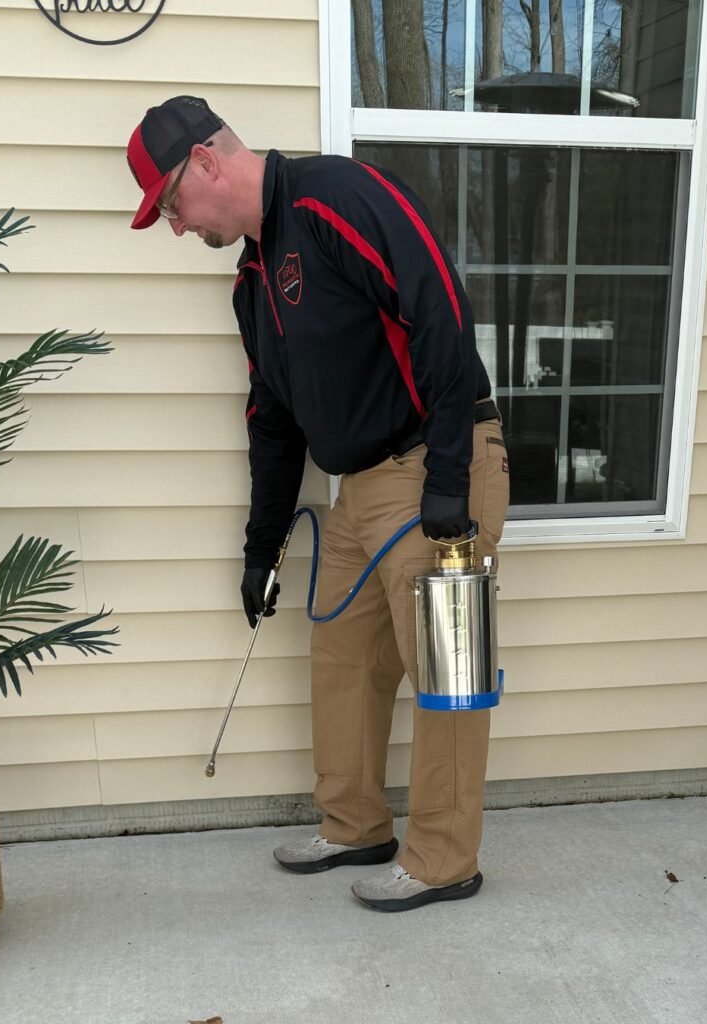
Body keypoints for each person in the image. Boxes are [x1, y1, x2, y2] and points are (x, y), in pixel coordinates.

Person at [126, 96, 510, 912]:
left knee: (446, 673)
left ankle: (445, 859)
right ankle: (354, 825)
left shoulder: (336, 196)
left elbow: (441, 309)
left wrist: (448, 478)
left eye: (169, 205)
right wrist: (259, 549)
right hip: (359, 489)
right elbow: (272, 422)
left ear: (205, 162)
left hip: (438, 464)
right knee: (339, 659)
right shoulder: (253, 282)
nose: (173, 226)